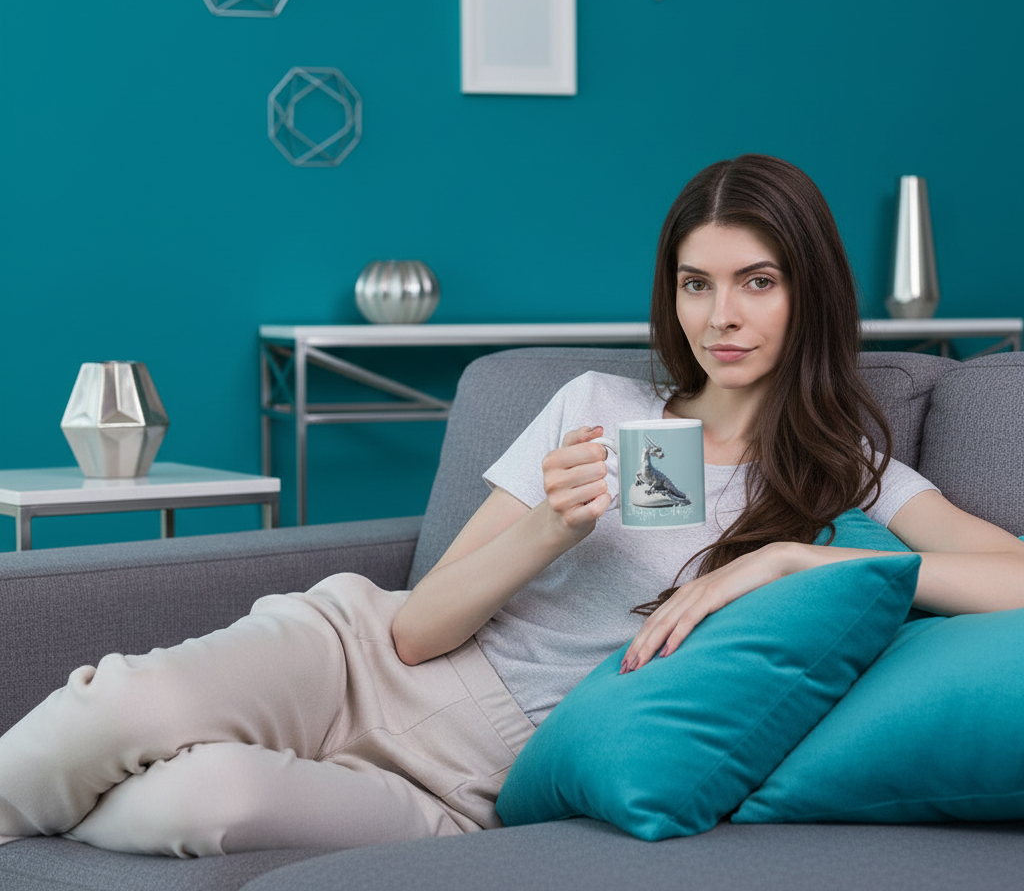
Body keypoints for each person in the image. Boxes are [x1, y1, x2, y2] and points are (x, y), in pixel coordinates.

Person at [2, 154, 1022, 858]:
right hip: (363, 663)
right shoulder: (598, 407)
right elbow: (415, 627)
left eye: (757, 281)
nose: (722, 316)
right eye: (694, 283)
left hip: (484, 779)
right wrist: (549, 525)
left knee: (205, 802)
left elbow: (1011, 578)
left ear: (810, 291)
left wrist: (799, 559)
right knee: (122, 708)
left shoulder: (848, 475)